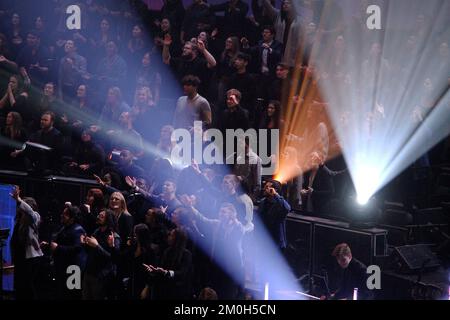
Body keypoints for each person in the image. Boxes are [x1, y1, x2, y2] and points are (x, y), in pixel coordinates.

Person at [42, 205, 86, 300]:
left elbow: (77, 248)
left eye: (65, 214)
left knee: (72, 295)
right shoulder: (65, 227)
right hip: (65, 268)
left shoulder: (78, 230)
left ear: (72, 218)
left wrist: (58, 248)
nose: (62, 215)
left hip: (73, 269)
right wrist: (48, 245)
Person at [9, 186, 44, 300]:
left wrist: (19, 200)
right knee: (19, 286)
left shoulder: (35, 217)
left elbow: (29, 212)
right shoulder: (19, 219)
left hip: (30, 259)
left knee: (27, 286)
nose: (19, 208)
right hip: (20, 257)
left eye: (22, 205)